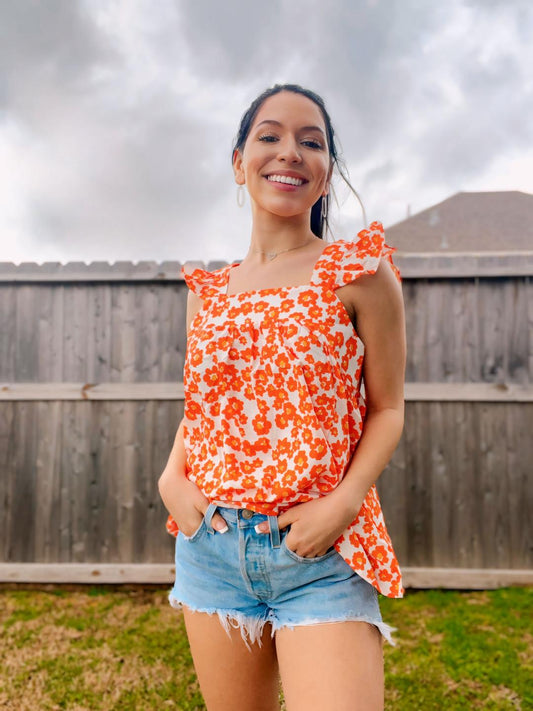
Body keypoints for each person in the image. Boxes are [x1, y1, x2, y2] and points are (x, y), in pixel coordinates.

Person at [158, 84, 406, 711]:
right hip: (210, 546)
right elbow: (206, 407)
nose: (289, 152)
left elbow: (388, 409)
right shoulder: (207, 293)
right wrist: (170, 479)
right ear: (238, 161)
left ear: (327, 172)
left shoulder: (360, 274)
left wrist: (343, 504)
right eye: (269, 136)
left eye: (311, 141)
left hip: (319, 552)